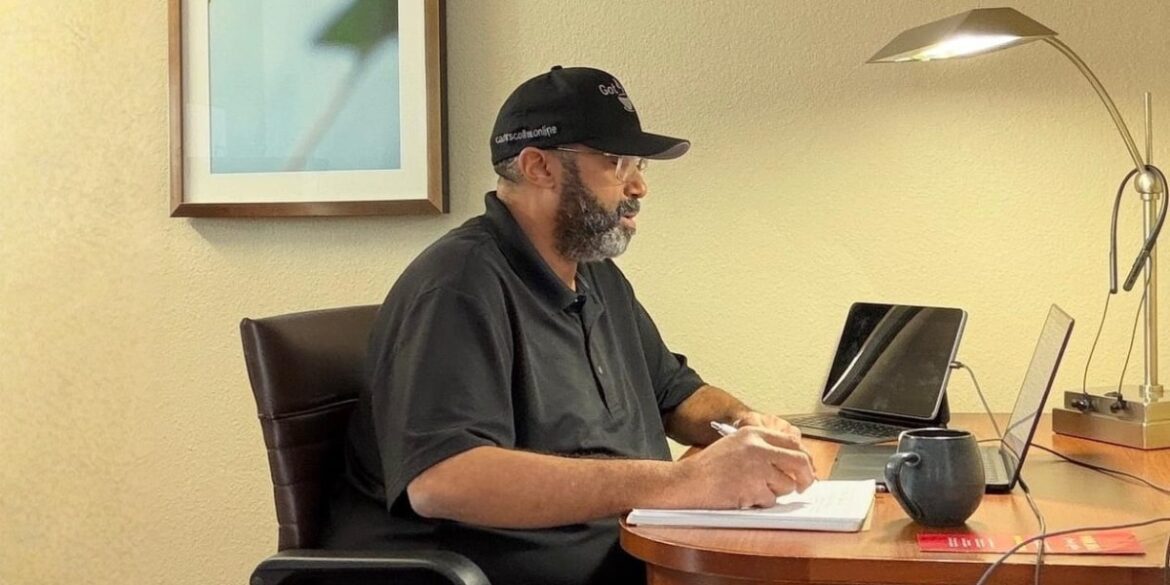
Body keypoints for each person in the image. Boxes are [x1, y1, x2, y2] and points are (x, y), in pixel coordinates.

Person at [322, 66, 817, 585]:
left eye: (640, 163)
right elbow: (443, 479)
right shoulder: (457, 286)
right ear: (539, 166)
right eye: (616, 162)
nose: (640, 185)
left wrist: (744, 422)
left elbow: (675, 392)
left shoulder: (597, 277)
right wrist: (679, 481)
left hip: (630, 561)